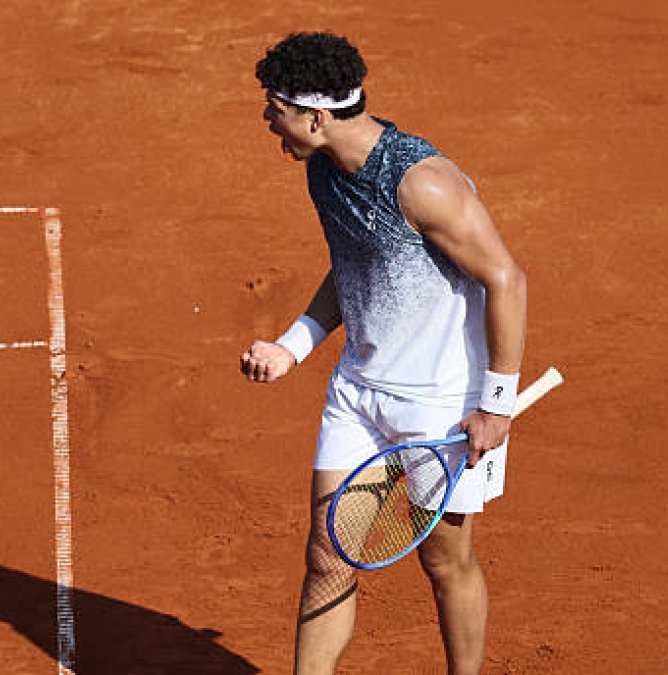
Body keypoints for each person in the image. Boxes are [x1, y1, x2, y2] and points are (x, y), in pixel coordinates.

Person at [239, 32, 528, 675]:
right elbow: (354, 268)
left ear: (314, 117)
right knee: (327, 553)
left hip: (443, 409)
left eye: (276, 107)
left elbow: (506, 278)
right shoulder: (323, 169)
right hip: (359, 394)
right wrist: (295, 345)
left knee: (445, 560)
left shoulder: (424, 184)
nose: (267, 118)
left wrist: (496, 405)